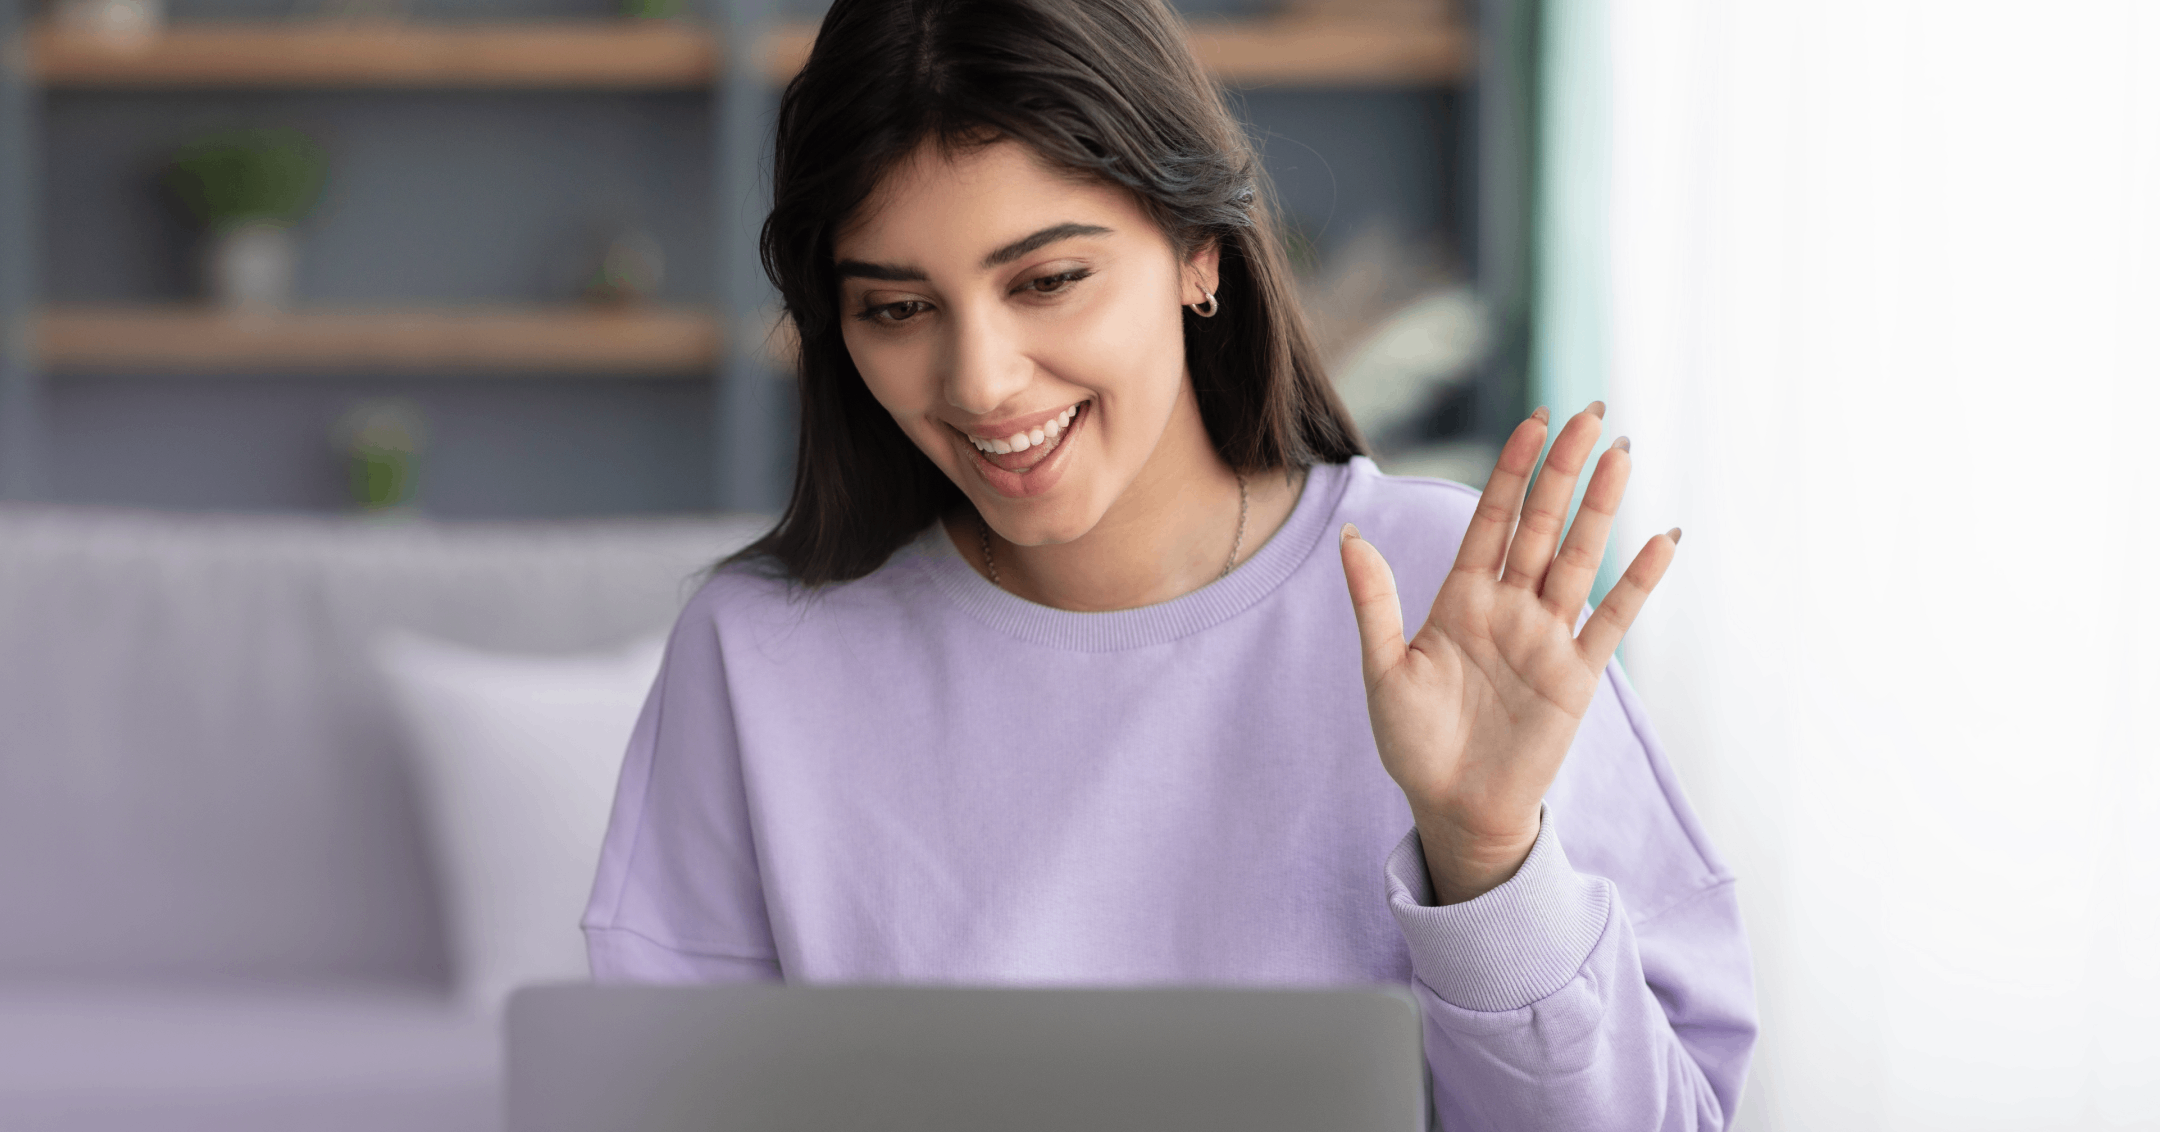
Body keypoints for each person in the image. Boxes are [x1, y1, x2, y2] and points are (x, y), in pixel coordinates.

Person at [581, 0, 1757, 1127]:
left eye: (1046, 280)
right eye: (898, 308)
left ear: (1200, 250)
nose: (980, 379)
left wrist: (1489, 862)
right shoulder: (759, 658)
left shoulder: (1452, 597)